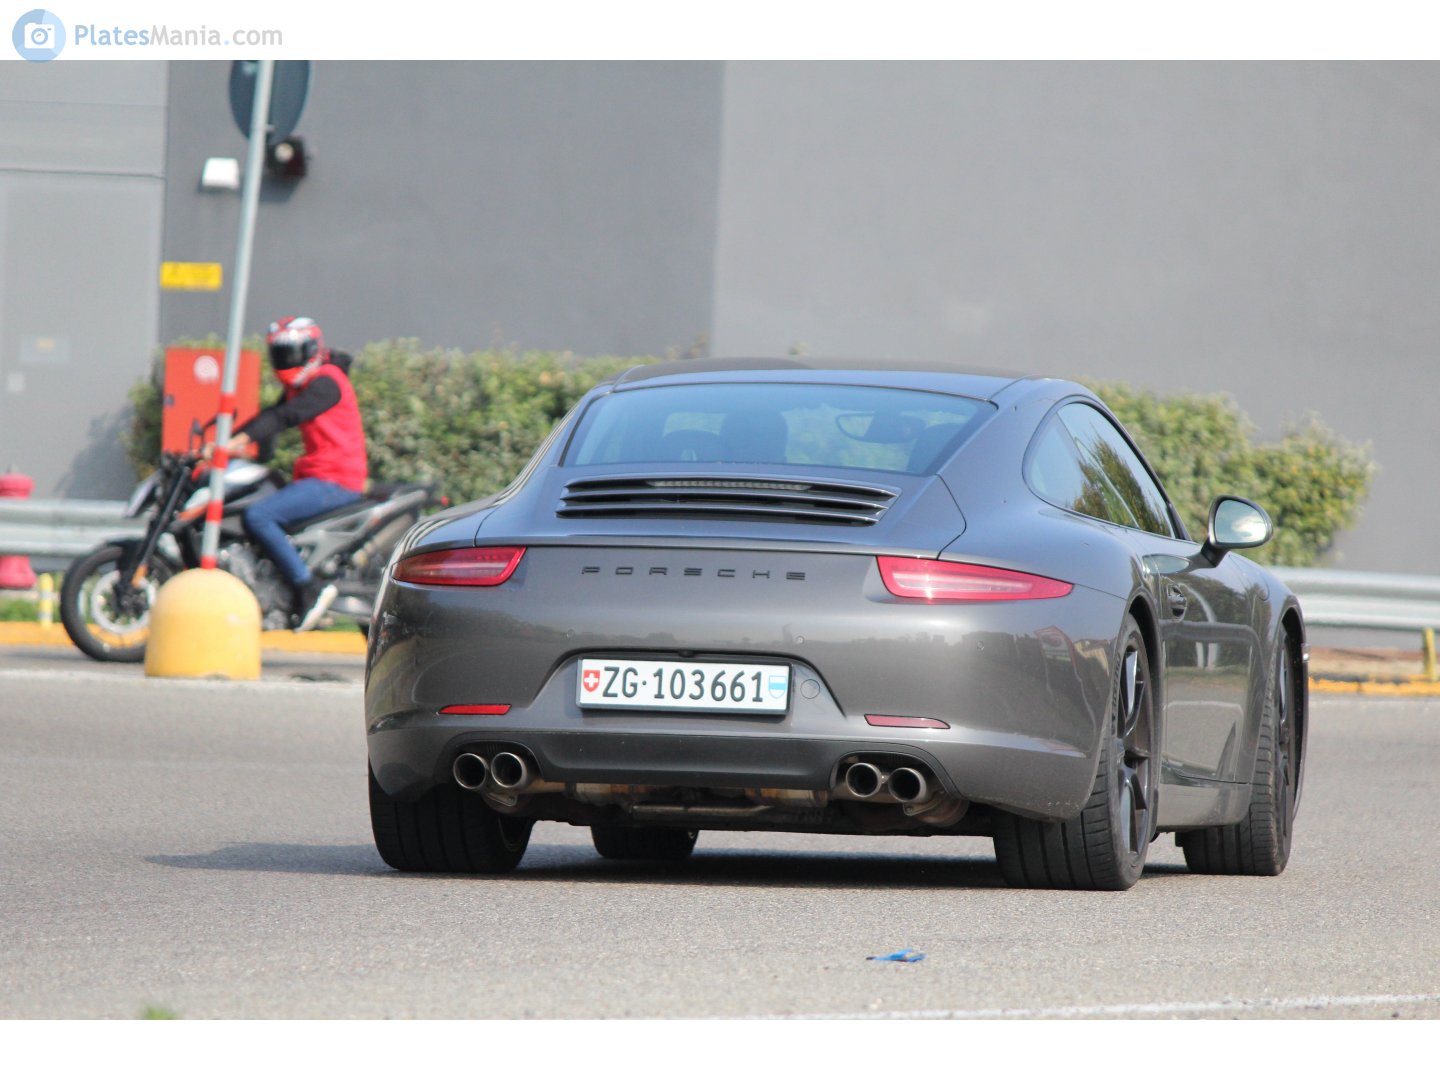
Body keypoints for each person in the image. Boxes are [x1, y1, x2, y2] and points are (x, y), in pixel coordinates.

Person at [219, 316, 368, 631]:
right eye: (281, 354)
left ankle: (306, 586)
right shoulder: (305, 383)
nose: (287, 361)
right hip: (317, 476)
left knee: (259, 516)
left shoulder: (327, 382)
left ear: (312, 350)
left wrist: (237, 442)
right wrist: (231, 443)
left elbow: (286, 416)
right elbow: (271, 418)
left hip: (335, 479)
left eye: (293, 353)